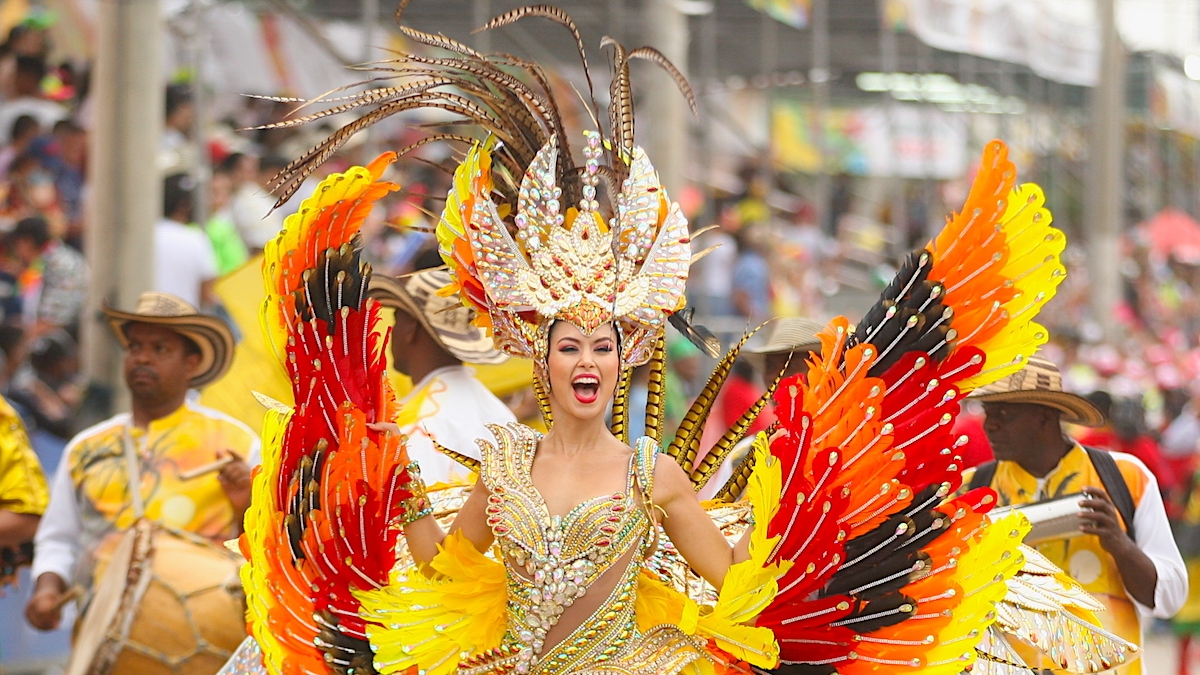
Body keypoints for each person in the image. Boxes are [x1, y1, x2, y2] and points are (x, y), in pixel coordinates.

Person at [24, 292, 259, 631]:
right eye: (135, 347)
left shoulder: (235, 441)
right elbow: (58, 537)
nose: (142, 358)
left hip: (206, 636)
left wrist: (243, 505)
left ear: (191, 362)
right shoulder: (85, 449)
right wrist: (47, 590)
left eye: (160, 349)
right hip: (101, 637)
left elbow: (268, 546)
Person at [964, 355, 1188, 674]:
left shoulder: (1126, 477)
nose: (990, 425)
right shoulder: (972, 492)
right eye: (988, 412)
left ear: (1044, 417)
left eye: (1004, 414)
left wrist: (1119, 544)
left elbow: (1169, 599)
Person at [368, 268, 515, 483]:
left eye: (398, 319)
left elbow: (420, 507)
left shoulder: (418, 420)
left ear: (411, 328)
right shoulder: (494, 408)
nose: (393, 331)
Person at [698, 317, 823, 501]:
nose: (778, 377)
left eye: (791, 365)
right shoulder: (745, 453)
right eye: (771, 367)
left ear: (824, 371)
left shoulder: (853, 446)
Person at [8, 215, 87, 337]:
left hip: (65, 341)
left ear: (26, 242)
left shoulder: (61, 266)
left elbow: (53, 323)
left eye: (16, 246)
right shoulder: (48, 260)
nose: (17, 254)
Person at [156, 173, 218, 308]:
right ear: (185, 205)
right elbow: (206, 293)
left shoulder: (147, 234)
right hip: (184, 321)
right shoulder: (196, 238)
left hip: (143, 319)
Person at [0, 56, 64, 143]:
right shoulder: (59, 112)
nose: (9, 81)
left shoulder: (7, 111)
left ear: (27, 77)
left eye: (13, 75)